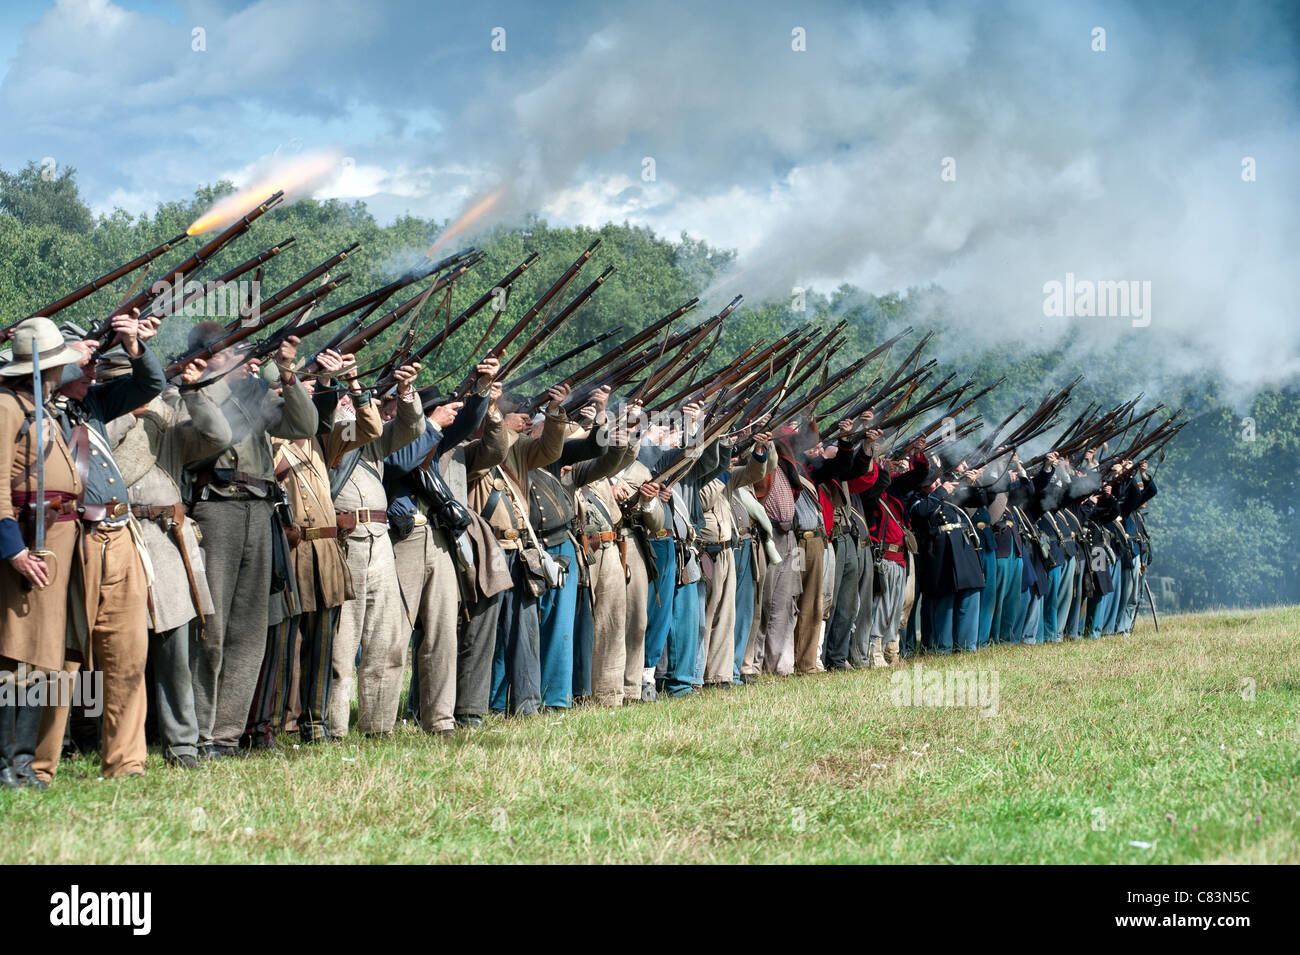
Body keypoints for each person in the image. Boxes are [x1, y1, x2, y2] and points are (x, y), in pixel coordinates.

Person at [37, 311, 165, 782]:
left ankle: (126, 761)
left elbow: (151, 382)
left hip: (119, 536)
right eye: (82, 360)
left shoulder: (90, 403)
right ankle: (38, 762)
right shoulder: (32, 405)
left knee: (126, 651)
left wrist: (133, 347)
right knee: (61, 657)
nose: (92, 369)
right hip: (69, 540)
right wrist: (72, 355)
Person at [183, 321, 317, 758]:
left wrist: (285, 371)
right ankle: (199, 732)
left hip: (259, 510)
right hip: (216, 506)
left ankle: (225, 735)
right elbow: (207, 434)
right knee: (213, 627)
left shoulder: (254, 394)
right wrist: (225, 378)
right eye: (234, 350)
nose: (245, 357)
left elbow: (305, 424)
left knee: (249, 630)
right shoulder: (192, 390)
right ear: (210, 356)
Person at [102, 333, 228, 769]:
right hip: (119, 538)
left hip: (168, 542)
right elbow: (109, 465)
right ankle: (124, 744)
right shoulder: (99, 423)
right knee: (122, 654)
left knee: (178, 653)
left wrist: (191, 391)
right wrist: (135, 413)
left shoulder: (169, 422)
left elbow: (218, 434)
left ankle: (183, 746)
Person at [0, 317, 85, 789]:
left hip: (51, 542)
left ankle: (22, 762)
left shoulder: (41, 408)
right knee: (12, 657)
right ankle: (5, 764)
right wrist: (13, 551)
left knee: (38, 656)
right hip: (26, 544)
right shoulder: (7, 408)